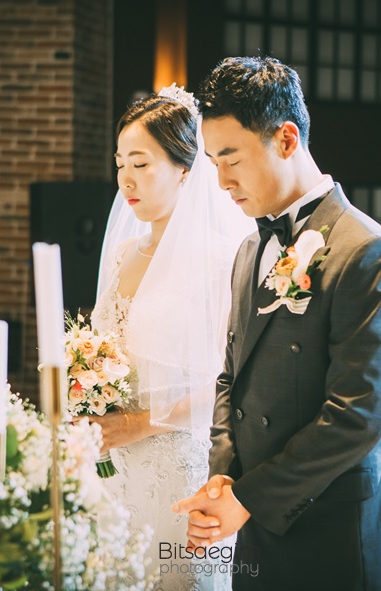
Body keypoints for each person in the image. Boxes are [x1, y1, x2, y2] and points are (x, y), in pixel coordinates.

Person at [172, 57, 381, 590]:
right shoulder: (249, 250)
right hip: (257, 523)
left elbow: (357, 415)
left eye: (231, 159)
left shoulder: (370, 253)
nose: (221, 182)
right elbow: (231, 377)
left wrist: (249, 497)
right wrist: (224, 478)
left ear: (286, 139)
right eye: (212, 163)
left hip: (335, 528)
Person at [90, 85, 253, 590]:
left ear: (185, 169)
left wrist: (138, 425)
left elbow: (233, 382)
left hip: (181, 469)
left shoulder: (222, 260)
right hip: (114, 467)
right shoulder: (123, 255)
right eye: (120, 164)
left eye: (141, 164)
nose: (126, 179)